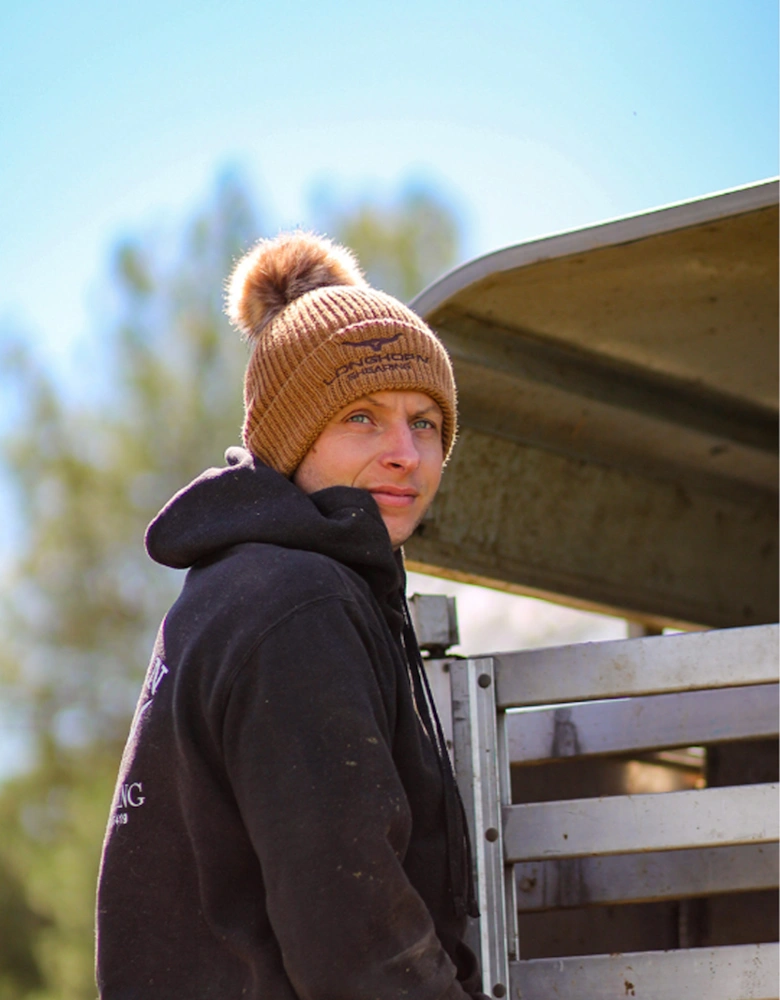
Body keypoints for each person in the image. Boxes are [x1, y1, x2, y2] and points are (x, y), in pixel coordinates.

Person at [96, 231, 486, 999]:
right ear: (291, 434)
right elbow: (355, 939)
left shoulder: (251, 585)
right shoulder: (296, 605)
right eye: (362, 420)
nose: (407, 452)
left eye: (427, 423)